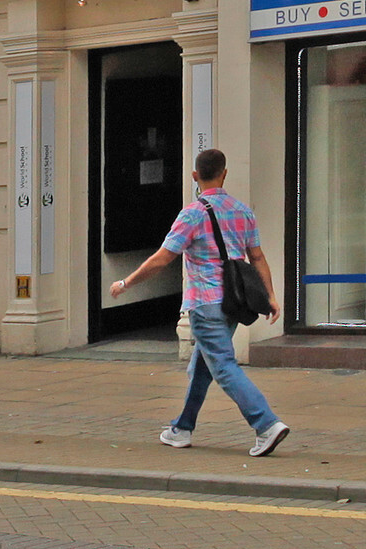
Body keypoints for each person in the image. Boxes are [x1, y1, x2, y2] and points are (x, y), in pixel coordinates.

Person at [111, 146, 289, 458]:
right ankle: (181, 429)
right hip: (234, 303)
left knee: (222, 366)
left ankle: (266, 424)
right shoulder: (243, 210)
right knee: (202, 367)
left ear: (195, 175)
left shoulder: (192, 214)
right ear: (225, 173)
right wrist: (271, 295)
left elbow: (161, 260)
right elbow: (257, 257)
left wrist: (126, 283)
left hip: (205, 304)